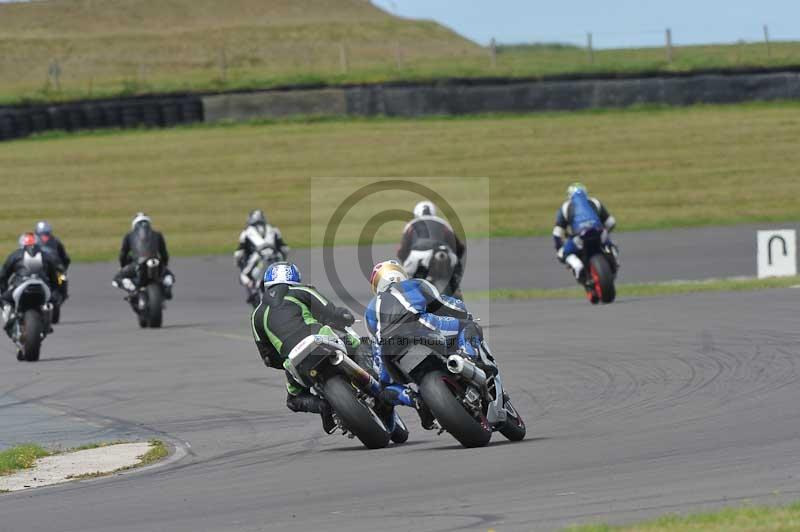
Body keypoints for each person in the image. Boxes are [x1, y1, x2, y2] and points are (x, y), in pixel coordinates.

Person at [364, 260, 495, 430]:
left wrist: (383, 380)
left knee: (386, 388)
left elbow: (376, 348)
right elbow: (449, 305)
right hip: (420, 326)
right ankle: (471, 359)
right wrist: (464, 316)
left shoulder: (369, 309)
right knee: (469, 326)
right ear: (399, 273)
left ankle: (415, 399)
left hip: (389, 349)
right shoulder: (415, 284)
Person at [250, 262, 356, 434]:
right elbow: (332, 312)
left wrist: (285, 359)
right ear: (294, 278)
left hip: (294, 359)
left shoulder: (256, 315)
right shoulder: (302, 291)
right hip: (320, 338)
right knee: (356, 343)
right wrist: (346, 318)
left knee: (293, 400)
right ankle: (374, 376)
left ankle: (324, 407)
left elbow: (268, 358)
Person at [397, 200, 466, 297]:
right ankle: (456, 291)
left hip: (417, 256)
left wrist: (407, 264)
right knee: (455, 270)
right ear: (433, 212)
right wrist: (454, 265)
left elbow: (401, 251)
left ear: (416, 213)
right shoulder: (443, 223)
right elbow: (459, 247)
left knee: (406, 284)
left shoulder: (411, 225)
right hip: (442, 252)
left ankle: (408, 301)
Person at [553, 182, 617, 282]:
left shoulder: (566, 206)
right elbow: (611, 223)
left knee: (563, 254)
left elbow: (557, 233)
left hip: (579, 237)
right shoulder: (595, 202)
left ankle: (577, 266)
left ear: (569, 196)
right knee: (610, 245)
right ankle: (613, 259)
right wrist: (606, 233)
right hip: (598, 233)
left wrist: (559, 248)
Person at [0, 233, 61, 337]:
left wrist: (3, 290)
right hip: (42, 288)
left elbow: (3, 275)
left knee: (4, 298)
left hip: (21, 287)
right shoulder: (46, 256)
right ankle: (47, 322)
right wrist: (55, 295)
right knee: (52, 300)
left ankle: (9, 320)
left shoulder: (15, 255)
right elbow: (55, 279)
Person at [112, 213, 175, 299]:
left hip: (137, 264)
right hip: (156, 262)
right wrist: (164, 265)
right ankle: (167, 287)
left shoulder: (129, 235)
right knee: (169, 275)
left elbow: (123, 254)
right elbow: (164, 253)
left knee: (117, 278)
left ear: (134, 225)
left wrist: (123, 266)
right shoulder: (157, 234)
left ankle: (132, 289)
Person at [234, 210, 289, 305]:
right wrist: (282, 258)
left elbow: (239, 253)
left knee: (243, 276)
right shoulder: (274, 230)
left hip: (257, 260)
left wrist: (239, 262)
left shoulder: (246, 232)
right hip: (275, 260)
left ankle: (255, 288)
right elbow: (285, 249)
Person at [34, 220, 70, 304]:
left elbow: (65, 258)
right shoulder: (31, 242)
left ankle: (61, 294)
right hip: (36, 267)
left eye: (46, 234)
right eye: (42, 234)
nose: (44, 237)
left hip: (54, 268)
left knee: (62, 278)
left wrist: (62, 269)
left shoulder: (56, 241)